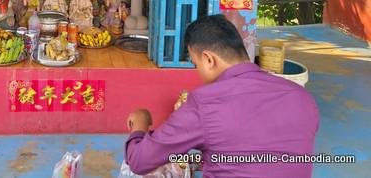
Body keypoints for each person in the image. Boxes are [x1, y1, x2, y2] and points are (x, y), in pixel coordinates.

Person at [125, 15, 319, 178]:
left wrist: (140, 123)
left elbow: (140, 161)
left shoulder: (206, 102)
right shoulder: (301, 97)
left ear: (209, 59)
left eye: (196, 64)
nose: (197, 71)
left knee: (133, 170)